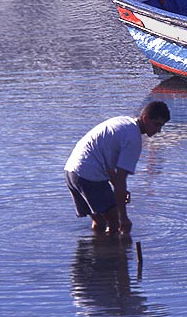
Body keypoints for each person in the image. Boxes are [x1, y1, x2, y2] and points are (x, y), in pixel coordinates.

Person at [64, 101, 170, 235]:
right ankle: (113, 254)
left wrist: (120, 189)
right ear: (145, 118)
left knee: (101, 221)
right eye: (157, 125)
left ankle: (97, 251)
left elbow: (107, 163)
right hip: (88, 175)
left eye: (161, 126)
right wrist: (124, 218)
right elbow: (121, 179)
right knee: (115, 222)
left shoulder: (123, 122)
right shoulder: (133, 139)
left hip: (71, 171)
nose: (159, 130)